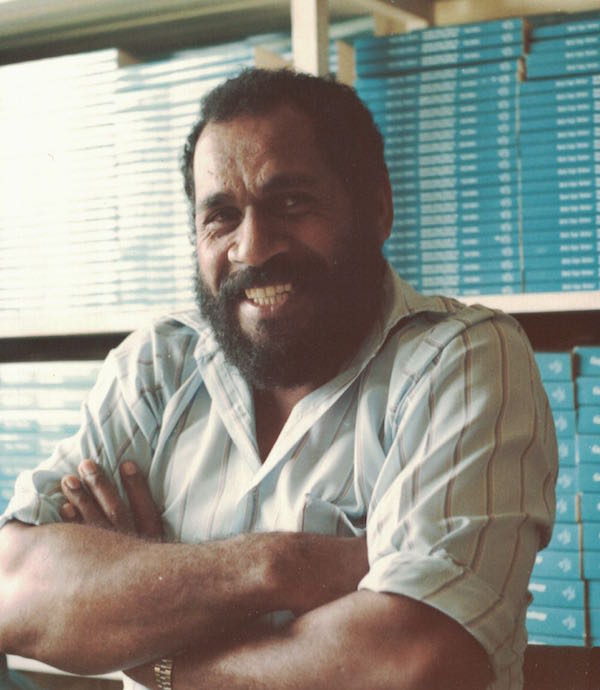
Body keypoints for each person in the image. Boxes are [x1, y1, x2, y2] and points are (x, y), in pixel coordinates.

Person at [0, 68, 557, 690]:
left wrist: (155, 650)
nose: (253, 248)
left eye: (291, 203)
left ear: (376, 208)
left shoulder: (459, 360)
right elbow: (13, 589)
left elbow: (412, 659)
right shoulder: (158, 367)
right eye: (221, 217)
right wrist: (282, 565)